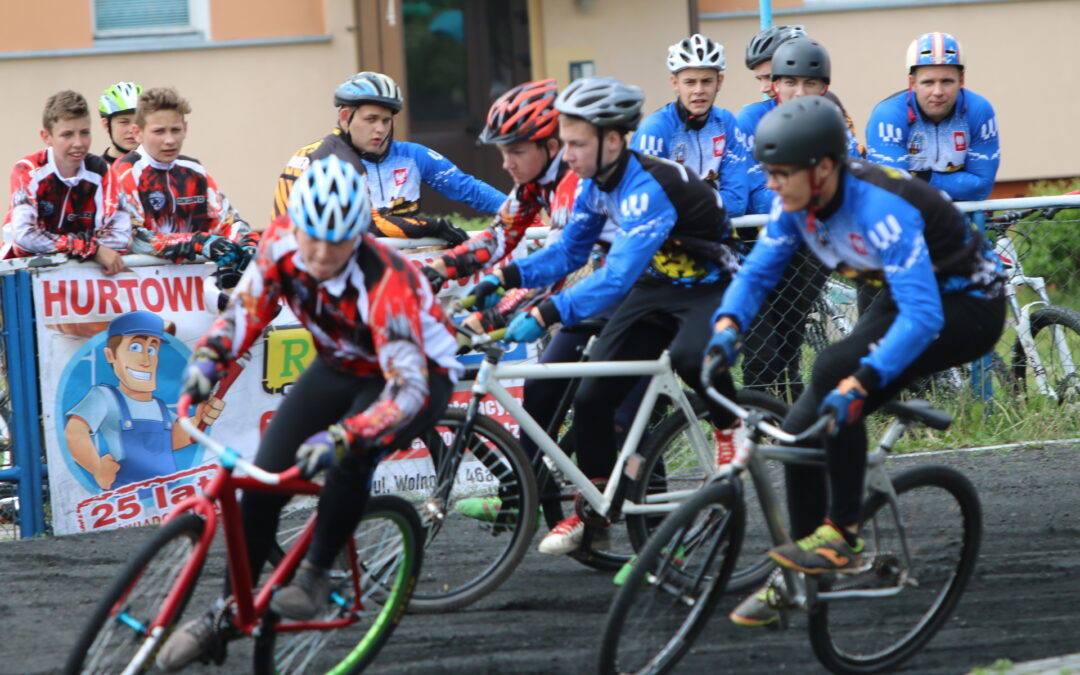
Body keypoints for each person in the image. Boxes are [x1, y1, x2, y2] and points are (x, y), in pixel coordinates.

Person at [703, 96, 1004, 627]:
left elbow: (923, 319)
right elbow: (756, 274)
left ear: (821, 169)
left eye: (780, 174)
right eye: (767, 173)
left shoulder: (881, 208)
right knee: (799, 434)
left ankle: (841, 533)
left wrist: (863, 382)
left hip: (966, 306)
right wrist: (727, 326)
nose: (770, 185)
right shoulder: (797, 202)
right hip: (906, 293)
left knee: (836, 373)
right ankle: (799, 572)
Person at [155, 155, 462, 671]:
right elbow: (246, 312)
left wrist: (345, 434)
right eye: (311, 238)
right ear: (296, 225)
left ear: (359, 235)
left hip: (412, 377)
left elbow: (405, 390)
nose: (319, 254)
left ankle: (315, 575)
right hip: (340, 361)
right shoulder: (280, 242)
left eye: (336, 242)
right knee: (260, 485)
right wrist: (209, 357)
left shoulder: (386, 282)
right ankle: (226, 612)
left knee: (350, 456)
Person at [470, 76, 743, 555]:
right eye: (566, 142)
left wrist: (548, 311)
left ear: (612, 140)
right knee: (593, 396)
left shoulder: (646, 186)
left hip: (711, 286)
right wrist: (506, 277)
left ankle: (730, 428)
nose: (567, 154)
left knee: (687, 354)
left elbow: (615, 277)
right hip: (657, 287)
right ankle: (594, 510)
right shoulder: (596, 188)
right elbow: (570, 254)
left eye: (576, 143)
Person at [735, 36, 860, 401]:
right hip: (760, 243)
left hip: (811, 244)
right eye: (789, 82)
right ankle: (755, 417)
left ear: (823, 88)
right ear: (774, 85)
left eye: (809, 84)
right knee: (761, 348)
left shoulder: (831, 121)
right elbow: (751, 190)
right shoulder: (750, 118)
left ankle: (786, 414)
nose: (798, 92)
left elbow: (847, 177)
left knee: (790, 337)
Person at [272, 71, 503, 243]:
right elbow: (369, 225)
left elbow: (468, 189)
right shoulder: (316, 159)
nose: (380, 129)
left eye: (386, 120)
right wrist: (433, 226)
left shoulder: (412, 155)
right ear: (345, 117)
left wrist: (521, 211)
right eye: (371, 119)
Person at [64, 311, 223, 490]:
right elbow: (74, 432)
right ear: (111, 356)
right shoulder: (105, 396)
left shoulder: (159, 406)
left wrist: (197, 421)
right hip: (127, 504)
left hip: (169, 496)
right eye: (135, 348)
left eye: (151, 349)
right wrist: (97, 468)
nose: (146, 360)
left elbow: (173, 440)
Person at [111, 86, 256, 271]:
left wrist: (247, 244)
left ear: (185, 129)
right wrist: (196, 242)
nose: (170, 140)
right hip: (140, 288)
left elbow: (228, 221)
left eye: (175, 130)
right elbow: (134, 238)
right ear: (137, 132)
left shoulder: (194, 172)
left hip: (192, 289)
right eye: (159, 132)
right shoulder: (124, 172)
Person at [1, 90, 129, 274]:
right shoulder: (28, 169)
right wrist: (91, 249)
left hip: (80, 283)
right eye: (67, 135)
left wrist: (78, 249)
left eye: (84, 133)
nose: (78, 143)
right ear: (47, 137)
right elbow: (25, 237)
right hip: (23, 280)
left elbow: (120, 236)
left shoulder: (102, 171)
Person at [865, 32, 1000, 202]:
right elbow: (894, 191)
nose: (938, 92)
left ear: (962, 80)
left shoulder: (979, 111)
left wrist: (924, 178)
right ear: (912, 83)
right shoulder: (889, 115)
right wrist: (955, 183)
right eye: (928, 82)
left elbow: (981, 187)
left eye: (947, 81)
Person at [632, 33, 749, 217]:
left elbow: (737, 201)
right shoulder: (654, 130)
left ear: (720, 82)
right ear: (675, 83)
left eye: (707, 81)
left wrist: (687, 207)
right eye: (690, 82)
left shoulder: (726, 123)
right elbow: (646, 202)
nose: (699, 90)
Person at [97, 81, 142, 165]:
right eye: (124, 122)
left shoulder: (159, 167)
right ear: (106, 125)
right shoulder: (96, 171)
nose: (132, 130)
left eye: (138, 121)